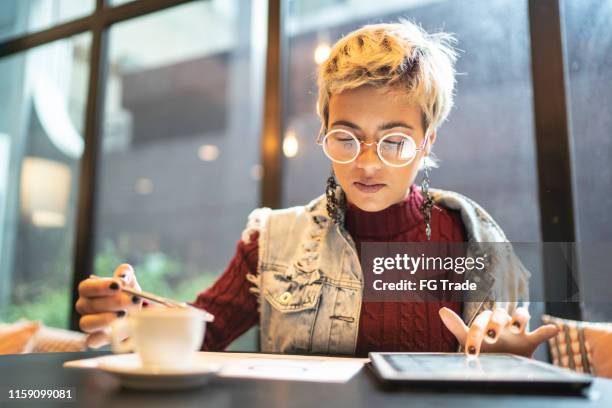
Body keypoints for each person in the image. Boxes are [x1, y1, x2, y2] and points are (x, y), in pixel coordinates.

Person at [76, 20, 558, 358]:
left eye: (394, 142)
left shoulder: (471, 238)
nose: (367, 163)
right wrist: (136, 315)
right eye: (346, 138)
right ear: (323, 130)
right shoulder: (272, 240)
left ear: (427, 140)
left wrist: (507, 357)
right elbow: (204, 331)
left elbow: (504, 353)